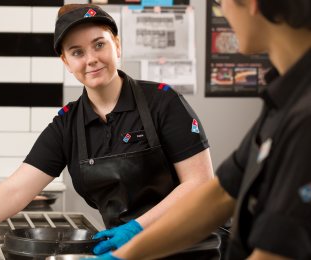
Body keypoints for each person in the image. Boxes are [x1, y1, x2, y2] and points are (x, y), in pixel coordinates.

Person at [0, 4, 214, 260]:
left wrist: (138, 227)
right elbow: (15, 190)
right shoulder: (67, 124)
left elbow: (200, 183)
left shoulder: (163, 102)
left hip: (189, 247)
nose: (91, 59)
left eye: (99, 45)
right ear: (67, 62)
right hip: (125, 253)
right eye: (77, 52)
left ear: (117, 46)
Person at [88, 0, 311, 259]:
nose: (221, 10)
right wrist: (126, 255)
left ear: (251, 3)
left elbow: (278, 252)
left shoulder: (304, 115)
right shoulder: (284, 99)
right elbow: (220, 194)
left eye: (220, 1)